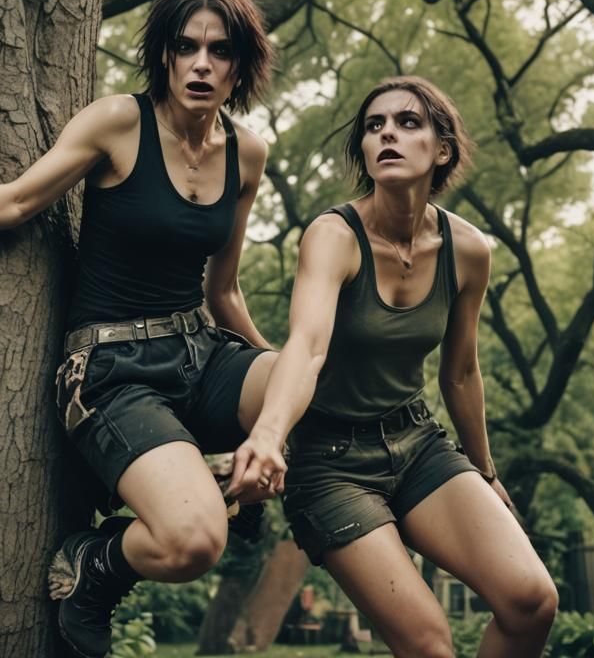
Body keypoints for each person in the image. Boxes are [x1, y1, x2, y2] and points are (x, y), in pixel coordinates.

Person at [0, 0, 278, 658]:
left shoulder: (247, 153)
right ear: (165, 56)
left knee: (312, 380)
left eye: (219, 52)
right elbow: (16, 203)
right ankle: (95, 566)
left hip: (198, 351)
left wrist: (281, 394)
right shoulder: (119, 122)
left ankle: (236, 486)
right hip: (109, 372)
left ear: (240, 64)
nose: (200, 65)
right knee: (194, 541)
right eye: (186, 48)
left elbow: (226, 290)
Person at [231, 76, 558, 658]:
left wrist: (483, 471)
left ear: (443, 149)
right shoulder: (334, 236)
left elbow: (460, 372)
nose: (387, 133)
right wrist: (268, 437)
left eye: (409, 123)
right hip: (330, 464)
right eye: (374, 125)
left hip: (416, 443)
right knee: (430, 644)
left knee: (531, 600)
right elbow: (306, 347)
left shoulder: (469, 250)